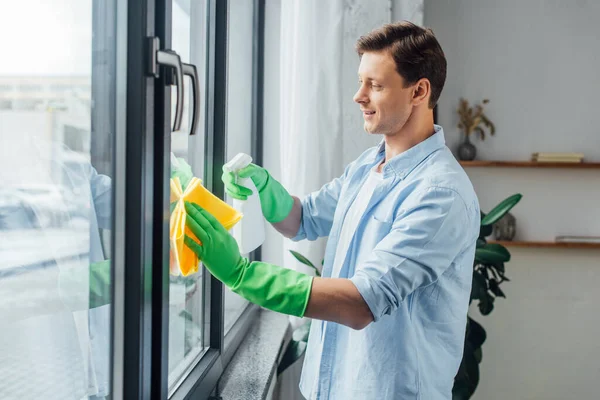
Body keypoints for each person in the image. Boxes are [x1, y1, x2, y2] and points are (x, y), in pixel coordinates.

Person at [183, 21, 480, 400]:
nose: (359, 96)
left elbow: (360, 303)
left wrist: (241, 275)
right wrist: (263, 189)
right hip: (331, 387)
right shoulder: (366, 167)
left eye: (375, 84)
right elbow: (303, 218)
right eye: (361, 82)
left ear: (419, 91)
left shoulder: (440, 194)